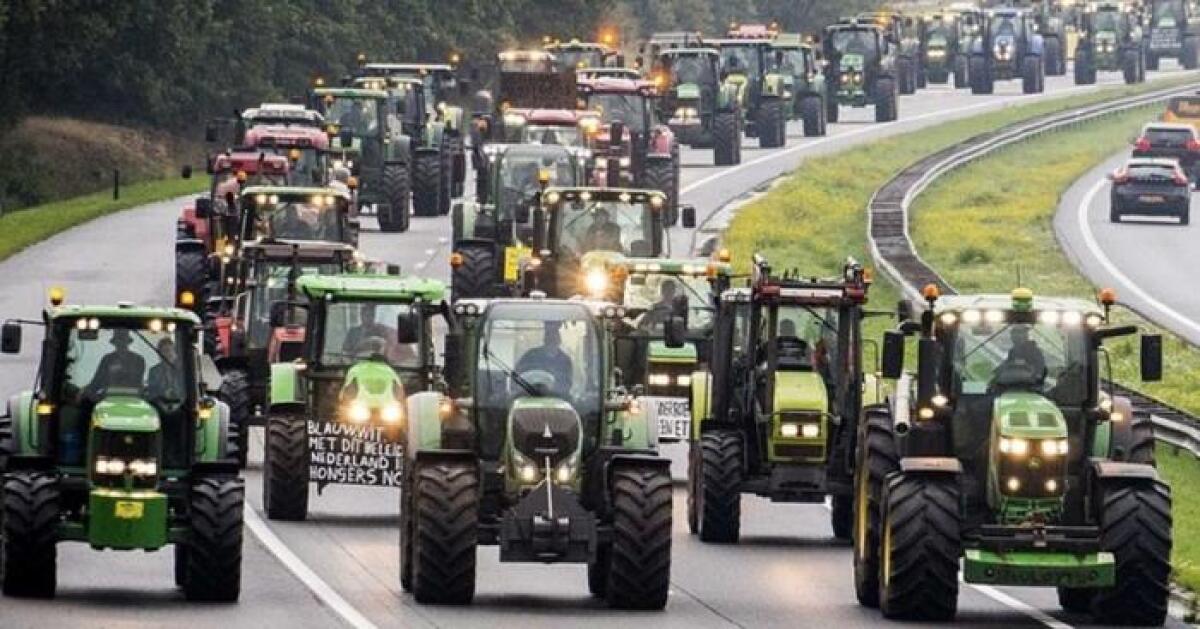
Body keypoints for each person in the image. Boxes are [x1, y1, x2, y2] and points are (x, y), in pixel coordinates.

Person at [85, 329, 146, 397]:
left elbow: (137, 381)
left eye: (123, 339)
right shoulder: (107, 359)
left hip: (133, 397)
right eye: (119, 340)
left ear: (127, 342)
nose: (121, 343)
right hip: (109, 397)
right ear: (115, 342)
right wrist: (86, 391)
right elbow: (97, 381)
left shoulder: (138, 360)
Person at [515, 324, 573, 395]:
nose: (551, 343)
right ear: (544, 340)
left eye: (554, 340)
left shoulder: (565, 361)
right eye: (549, 340)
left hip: (557, 399)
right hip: (528, 396)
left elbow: (567, 383)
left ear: (559, 341)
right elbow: (517, 374)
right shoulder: (530, 356)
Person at [146, 337, 183, 405]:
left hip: (181, 405)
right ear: (159, 354)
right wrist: (163, 394)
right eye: (164, 351)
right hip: (160, 405)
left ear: (175, 352)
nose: (167, 354)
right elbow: (151, 392)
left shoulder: (183, 371)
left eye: (169, 350)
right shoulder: (154, 371)